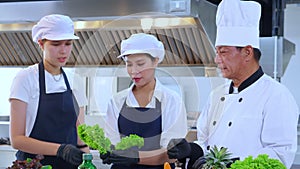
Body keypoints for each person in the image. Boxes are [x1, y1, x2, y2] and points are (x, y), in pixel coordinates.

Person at [167, 0, 299, 168]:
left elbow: (279, 156)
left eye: (223, 52)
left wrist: (232, 165)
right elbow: (206, 144)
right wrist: (191, 149)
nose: (217, 60)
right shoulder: (217, 95)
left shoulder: (276, 96)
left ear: (247, 52)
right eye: (217, 52)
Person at [9, 14, 89, 168]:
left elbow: (81, 137)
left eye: (68, 43)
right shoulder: (25, 78)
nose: (63, 51)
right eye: (56, 44)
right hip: (34, 165)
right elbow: (17, 139)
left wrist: (87, 160)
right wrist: (60, 149)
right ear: (41, 44)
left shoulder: (75, 80)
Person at [100, 33, 188, 169]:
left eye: (140, 64)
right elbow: (113, 145)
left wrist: (136, 158)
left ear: (155, 61)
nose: (134, 71)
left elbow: (171, 153)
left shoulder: (171, 100)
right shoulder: (117, 101)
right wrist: (109, 152)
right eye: (129, 64)